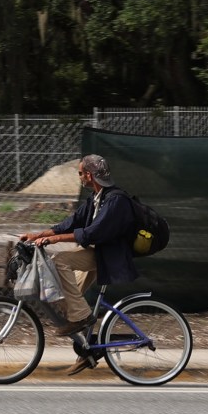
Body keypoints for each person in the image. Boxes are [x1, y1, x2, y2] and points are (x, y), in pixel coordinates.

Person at [19, 154, 138, 374]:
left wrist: (55, 240)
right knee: (70, 300)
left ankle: (82, 317)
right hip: (97, 252)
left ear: (89, 175)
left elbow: (91, 233)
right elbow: (71, 223)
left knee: (60, 261)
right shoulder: (97, 198)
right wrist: (38, 235)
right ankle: (87, 351)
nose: (80, 177)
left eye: (81, 173)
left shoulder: (115, 201)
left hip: (108, 256)